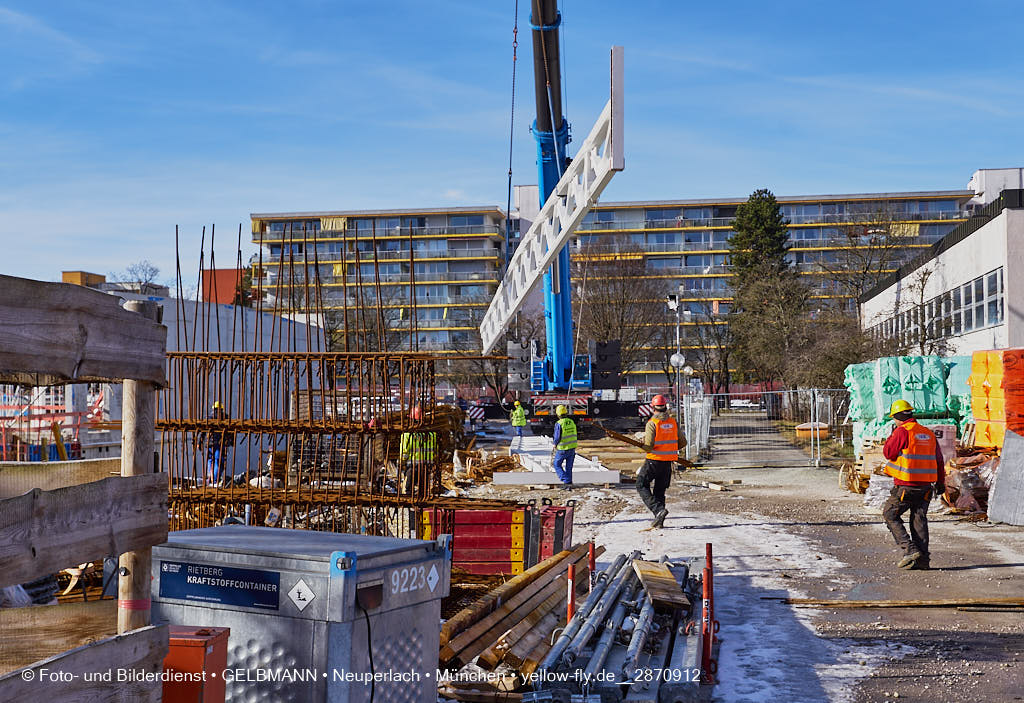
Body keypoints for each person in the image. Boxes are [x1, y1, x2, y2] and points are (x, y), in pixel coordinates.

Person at [881, 399, 946, 570]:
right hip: (926, 487)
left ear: (897, 416)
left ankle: (909, 550)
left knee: (890, 514)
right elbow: (939, 460)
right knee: (919, 521)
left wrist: (892, 435)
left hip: (906, 485)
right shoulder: (928, 433)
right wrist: (941, 482)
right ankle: (923, 561)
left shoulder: (902, 431)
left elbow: (888, 452)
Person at [638, 395, 687, 529]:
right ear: (665, 406)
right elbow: (683, 442)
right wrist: (669, 448)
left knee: (641, 484)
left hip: (654, 461)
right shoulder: (672, 422)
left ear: (652, 407)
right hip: (667, 463)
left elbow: (648, 446)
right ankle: (659, 521)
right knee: (660, 490)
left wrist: (640, 444)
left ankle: (657, 510)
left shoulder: (652, 423)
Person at [399, 405, 437, 498]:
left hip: (412, 466)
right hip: (426, 466)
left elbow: (404, 451)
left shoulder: (408, 434)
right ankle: (422, 506)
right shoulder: (431, 434)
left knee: (408, 490)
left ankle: (411, 508)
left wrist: (402, 462)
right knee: (423, 490)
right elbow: (435, 450)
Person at [203, 401, 234, 485]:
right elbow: (231, 431)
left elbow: (203, 430)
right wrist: (232, 441)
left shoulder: (209, 417)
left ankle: (210, 477)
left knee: (210, 460)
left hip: (210, 442)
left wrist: (200, 441)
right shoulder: (226, 417)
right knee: (218, 461)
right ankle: (215, 479)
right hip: (221, 443)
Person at [550, 405, 577, 487]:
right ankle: (569, 482)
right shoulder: (571, 422)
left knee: (556, 464)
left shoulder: (559, 423)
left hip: (563, 448)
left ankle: (566, 481)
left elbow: (557, 436)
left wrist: (555, 443)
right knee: (569, 467)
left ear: (558, 414)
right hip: (572, 447)